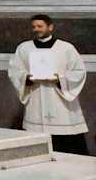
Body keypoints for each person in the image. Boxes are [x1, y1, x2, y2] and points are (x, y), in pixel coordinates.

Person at [8, 14, 88, 153]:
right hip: (36, 95)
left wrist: (60, 79)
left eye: (40, 26)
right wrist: (27, 78)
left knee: (66, 142)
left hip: (60, 100)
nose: (36, 29)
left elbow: (79, 71)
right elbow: (15, 71)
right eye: (33, 26)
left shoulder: (66, 48)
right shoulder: (24, 48)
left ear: (50, 27)